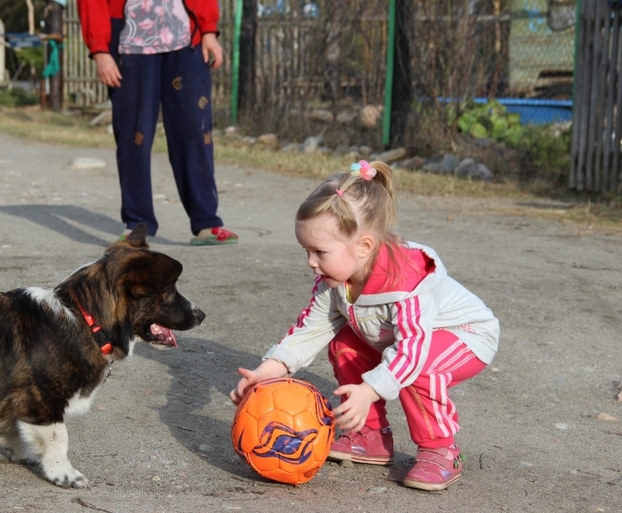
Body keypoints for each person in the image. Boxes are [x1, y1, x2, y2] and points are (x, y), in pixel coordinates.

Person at [229, 160, 499, 491]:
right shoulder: (334, 281)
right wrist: (268, 369)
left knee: (421, 370)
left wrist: (369, 391)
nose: (311, 262)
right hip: (401, 341)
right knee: (343, 342)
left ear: (364, 246)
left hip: (467, 336)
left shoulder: (407, 282)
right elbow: (310, 329)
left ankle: (441, 449)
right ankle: (370, 436)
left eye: (320, 252)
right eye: (306, 250)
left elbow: (412, 351)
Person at [77, 0, 238, 245]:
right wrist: (99, 49)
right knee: (134, 136)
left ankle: (207, 222)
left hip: (187, 40)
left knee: (195, 132)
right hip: (129, 44)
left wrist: (208, 30)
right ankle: (137, 225)